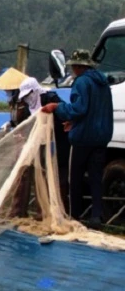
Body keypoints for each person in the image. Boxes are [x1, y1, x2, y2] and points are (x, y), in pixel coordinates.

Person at [42, 49, 114, 228]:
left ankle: (75, 216)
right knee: (96, 178)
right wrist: (73, 122)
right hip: (102, 136)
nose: (73, 69)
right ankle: (96, 217)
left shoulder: (81, 82)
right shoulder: (103, 82)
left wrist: (57, 107)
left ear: (78, 66)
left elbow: (79, 108)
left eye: (74, 66)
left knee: (75, 178)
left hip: (82, 139)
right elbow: (94, 111)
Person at [8, 77, 70, 218]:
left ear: (36, 91)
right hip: (34, 144)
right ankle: (18, 211)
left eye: (30, 94)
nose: (29, 98)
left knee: (46, 177)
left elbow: (64, 114)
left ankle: (45, 212)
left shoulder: (51, 99)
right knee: (24, 173)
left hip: (54, 145)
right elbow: (24, 124)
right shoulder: (26, 107)